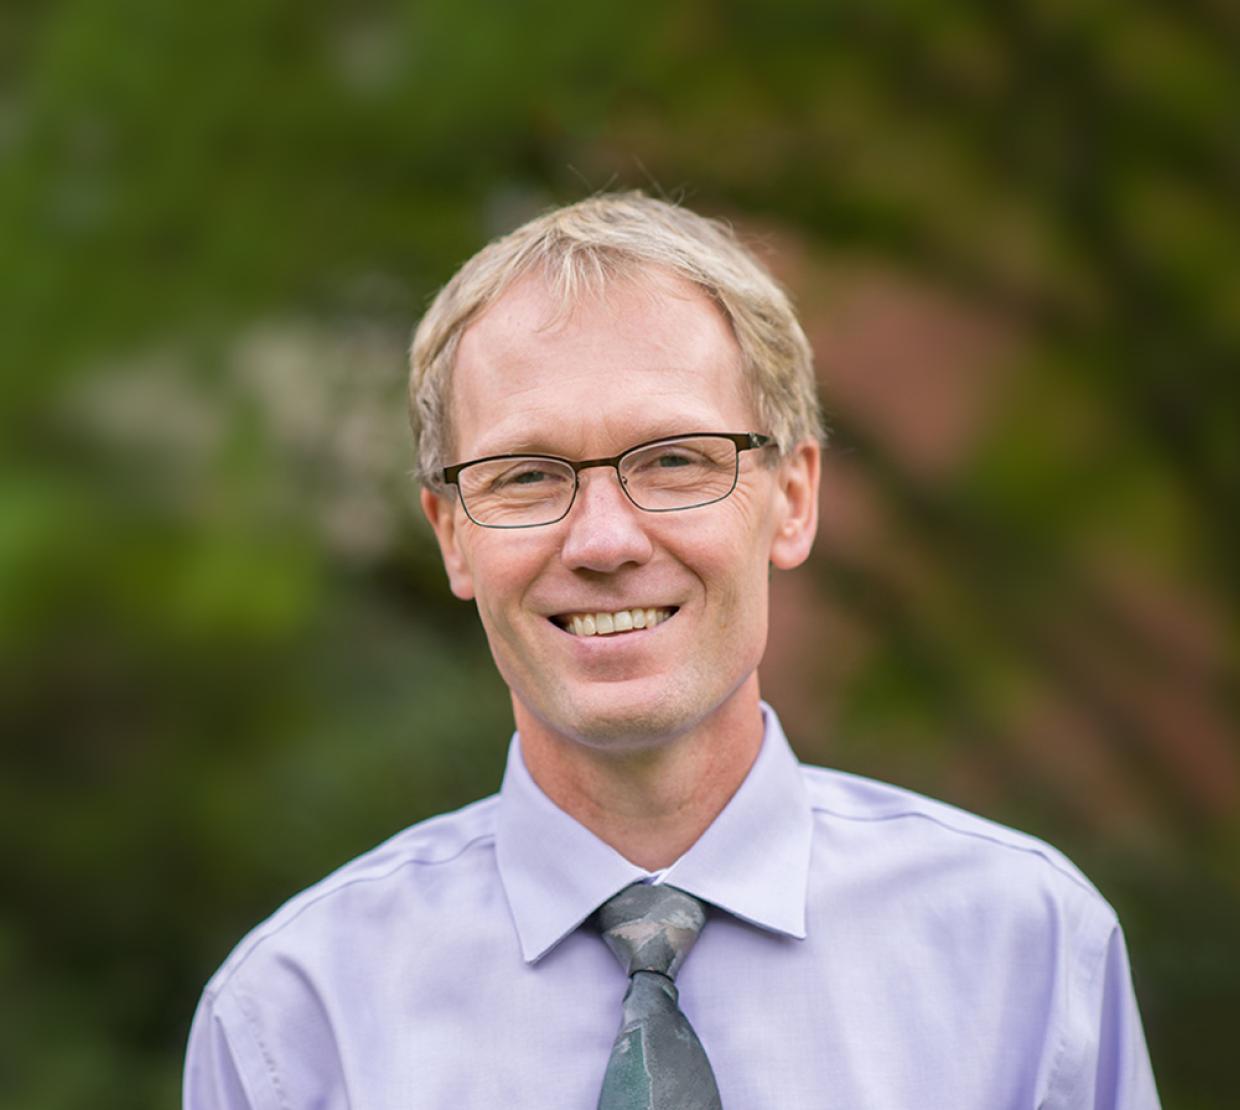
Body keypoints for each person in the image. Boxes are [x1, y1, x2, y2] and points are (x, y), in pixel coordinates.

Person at [184, 193, 1160, 1108]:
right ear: (451, 534)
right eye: (527, 475)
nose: (605, 542)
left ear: (793, 498)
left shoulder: (1024, 950)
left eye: (675, 461)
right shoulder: (297, 1019)